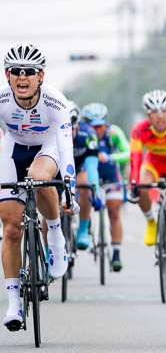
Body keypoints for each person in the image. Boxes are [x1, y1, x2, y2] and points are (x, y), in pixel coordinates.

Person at [0, 45, 79, 331]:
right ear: (7, 75)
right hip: (12, 148)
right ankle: (13, 306)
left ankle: (55, 237)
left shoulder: (55, 102)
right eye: (16, 72)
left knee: (39, 179)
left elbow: (65, 148)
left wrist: (70, 186)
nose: (23, 77)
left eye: (29, 72)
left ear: (40, 76)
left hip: (47, 148)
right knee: (10, 229)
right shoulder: (2, 99)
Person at [128, 90, 166, 280]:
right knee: (141, 184)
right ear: (148, 115)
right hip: (153, 164)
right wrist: (133, 183)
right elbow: (135, 159)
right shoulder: (140, 130)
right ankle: (151, 222)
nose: (160, 115)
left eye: (164, 110)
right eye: (154, 111)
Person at [81, 102, 130, 272]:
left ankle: (116, 254)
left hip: (110, 174)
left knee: (114, 211)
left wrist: (111, 157)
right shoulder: (81, 134)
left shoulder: (114, 132)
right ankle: (84, 224)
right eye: (93, 126)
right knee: (82, 195)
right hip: (87, 173)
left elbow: (127, 152)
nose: (97, 130)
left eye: (101, 125)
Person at [68, 101, 103, 250]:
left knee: (85, 185)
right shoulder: (50, 134)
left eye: (72, 129)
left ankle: (83, 228)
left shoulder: (88, 133)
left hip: (80, 164)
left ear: (77, 126)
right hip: (58, 163)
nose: (68, 134)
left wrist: (94, 188)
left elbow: (92, 164)